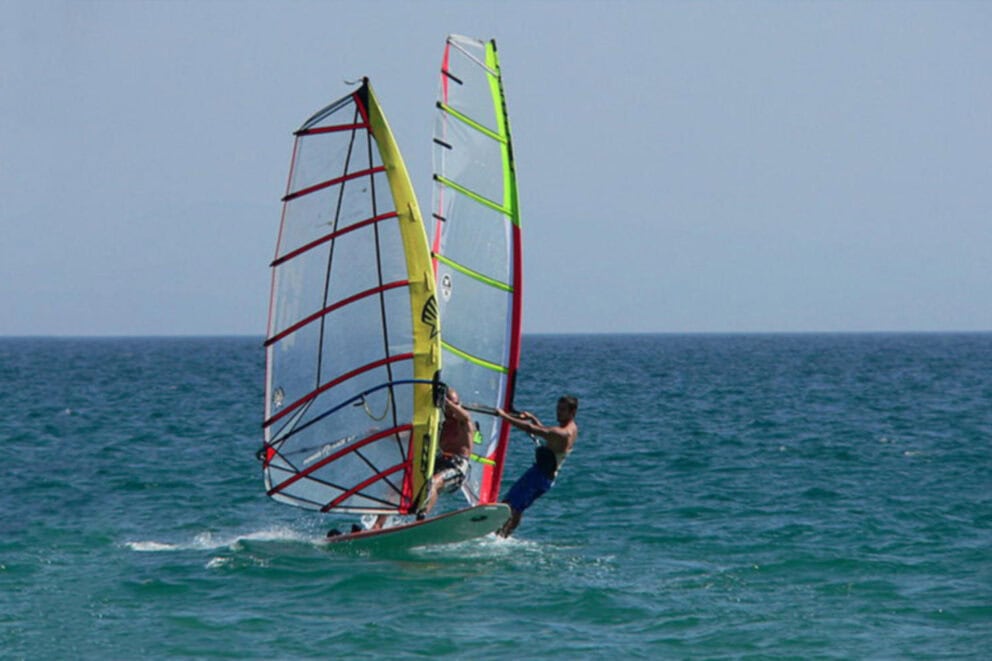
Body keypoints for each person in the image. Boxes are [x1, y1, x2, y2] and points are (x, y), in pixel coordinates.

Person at [370, 388, 474, 530]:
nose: (451, 407)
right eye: (448, 403)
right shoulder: (439, 426)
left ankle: (420, 521)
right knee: (395, 488)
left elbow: (465, 416)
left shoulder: (464, 423)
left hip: (458, 467)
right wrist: (380, 433)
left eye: (455, 403)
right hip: (438, 463)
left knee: (433, 483)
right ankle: (378, 525)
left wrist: (448, 403)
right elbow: (406, 435)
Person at [495, 395, 579, 538]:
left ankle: (501, 535)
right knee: (516, 507)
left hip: (539, 477)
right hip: (544, 477)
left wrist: (504, 416)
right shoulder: (571, 428)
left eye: (563, 410)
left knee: (510, 505)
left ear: (572, 413)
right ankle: (503, 535)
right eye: (558, 409)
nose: (558, 412)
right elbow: (545, 432)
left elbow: (533, 429)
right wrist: (532, 417)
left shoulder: (563, 433)